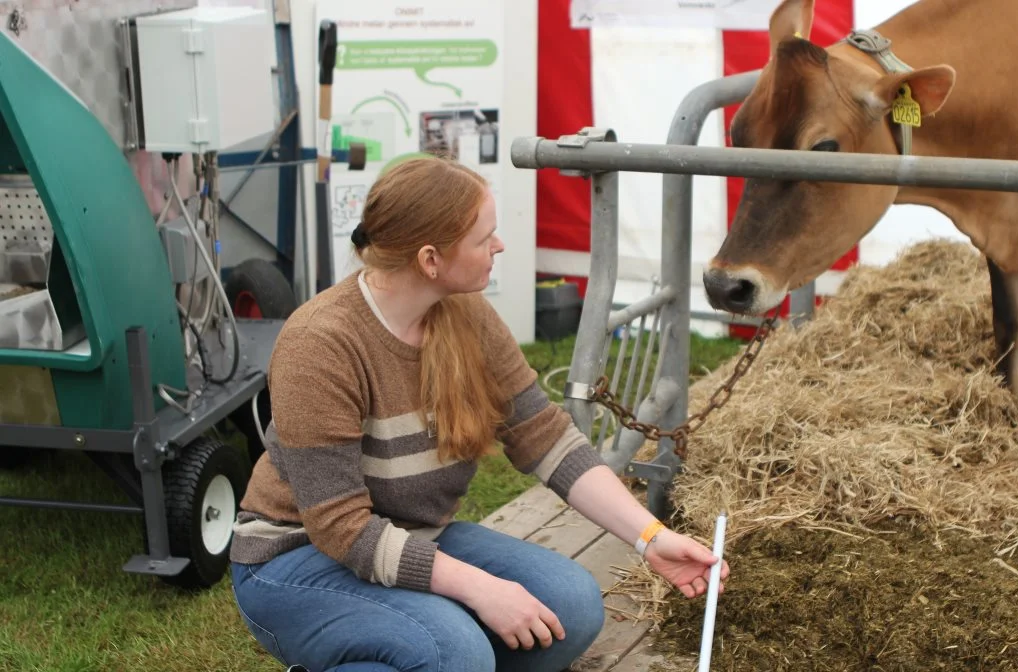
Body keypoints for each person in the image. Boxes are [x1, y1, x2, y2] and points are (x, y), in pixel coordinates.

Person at [228, 156, 730, 672]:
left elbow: (546, 438)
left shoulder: (466, 314)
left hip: (413, 534)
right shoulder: (320, 343)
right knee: (454, 651)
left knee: (571, 606)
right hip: (298, 558)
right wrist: (481, 588)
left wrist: (652, 539)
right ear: (430, 260)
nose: (500, 245)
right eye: (483, 237)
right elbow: (341, 528)